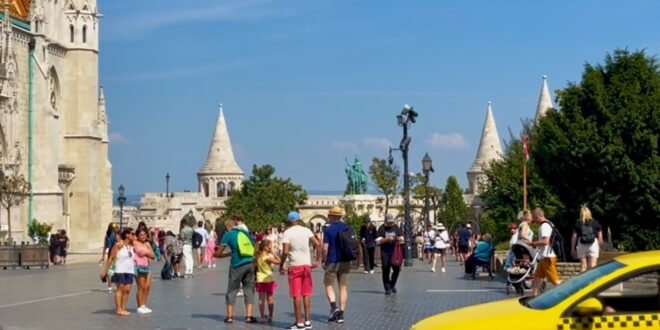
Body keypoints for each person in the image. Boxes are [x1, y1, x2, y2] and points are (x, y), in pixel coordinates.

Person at [280, 211, 322, 330]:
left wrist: (282, 264)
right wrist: (317, 260)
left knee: (296, 294)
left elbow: (285, 251)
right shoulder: (306, 230)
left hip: (295, 265)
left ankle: (299, 322)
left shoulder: (287, 232)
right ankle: (308, 321)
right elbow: (318, 244)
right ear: (298, 220)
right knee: (306, 293)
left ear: (289, 221)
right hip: (306, 265)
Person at [214, 219, 257, 324]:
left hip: (237, 266)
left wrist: (214, 254)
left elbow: (219, 253)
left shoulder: (228, 235)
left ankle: (229, 317)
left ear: (228, 227)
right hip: (250, 263)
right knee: (249, 289)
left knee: (232, 290)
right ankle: (249, 316)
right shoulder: (245, 233)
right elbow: (253, 246)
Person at [322, 206, 351, 324]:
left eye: (330, 215)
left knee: (329, 285)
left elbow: (325, 248)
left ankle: (334, 308)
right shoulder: (348, 228)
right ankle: (341, 314)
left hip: (332, 261)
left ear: (333, 216)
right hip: (345, 261)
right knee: (343, 287)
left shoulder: (328, 230)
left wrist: (323, 260)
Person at [100, 227, 136, 316]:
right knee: (120, 289)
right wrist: (104, 271)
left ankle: (123, 308)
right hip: (120, 270)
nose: (134, 235)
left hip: (130, 271)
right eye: (132, 233)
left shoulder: (132, 246)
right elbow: (111, 258)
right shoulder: (118, 245)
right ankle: (119, 309)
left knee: (127, 290)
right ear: (127, 235)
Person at [531, 208, 561, 296]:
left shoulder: (544, 226)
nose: (534, 220)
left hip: (547, 257)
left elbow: (545, 242)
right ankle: (534, 297)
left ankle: (569, 294)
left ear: (537, 216)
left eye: (534, 217)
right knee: (537, 277)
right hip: (544, 256)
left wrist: (533, 243)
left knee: (555, 280)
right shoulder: (549, 223)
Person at [376, 214, 404, 295]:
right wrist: (386, 239)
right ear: (385, 222)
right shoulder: (381, 229)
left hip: (395, 252)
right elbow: (378, 242)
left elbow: (402, 238)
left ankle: (392, 284)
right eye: (389, 222)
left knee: (397, 269)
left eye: (392, 222)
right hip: (385, 252)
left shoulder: (396, 227)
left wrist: (398, 239)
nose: (391, 224)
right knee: (385, 269)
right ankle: (387, 287)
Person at [571, 206, 603, 272]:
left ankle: (583, 282)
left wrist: (572, 249)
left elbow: (574, 237)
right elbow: (600, 238)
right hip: (593, 244)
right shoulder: (595, 222)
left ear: (581, 214)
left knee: (583, 266)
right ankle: (593, 282)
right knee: (593, 266)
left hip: (582, 244)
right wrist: (600, 247)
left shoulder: (578, 223)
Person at [255, 239, 280, 323]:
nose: (272, 247)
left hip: (260, 280)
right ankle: (270, 316)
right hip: (268, 280)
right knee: (270, 299)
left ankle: (262, 317)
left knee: (261, 300)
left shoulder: (258, 256)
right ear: (266, 247)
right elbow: (279, 261)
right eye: (270, 246)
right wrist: (273, 253)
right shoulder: (268, 258)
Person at [133, 227, 155, 314]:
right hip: (138, 266)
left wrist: (146, 253)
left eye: (144, 234)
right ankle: (140, 306)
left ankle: (144, 304)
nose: (143, 236)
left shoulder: (147, 244)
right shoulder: (135, 243)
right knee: (141, 287)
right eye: (141, 235)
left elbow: (153, 256)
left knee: (147, 287)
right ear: (137, 236)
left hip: (147, 267)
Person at [101, 223, 118, 292]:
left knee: (110, 271)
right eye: (116, 227)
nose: (117, 228)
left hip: (110, 254)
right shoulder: (116, 236)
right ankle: (117, 286)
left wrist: (102, 256)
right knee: (115, 270)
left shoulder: (107, 236)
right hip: (116, 254)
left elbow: (105, 247)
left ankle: (110, 287)